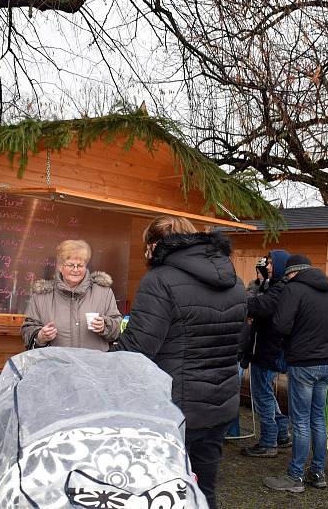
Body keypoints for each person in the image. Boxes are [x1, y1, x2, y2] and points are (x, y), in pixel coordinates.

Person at [112, 216, 246, 509]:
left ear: (157, 244)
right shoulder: (234, 281)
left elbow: (138, 348)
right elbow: (239, 342)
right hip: (220, 403)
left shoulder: (159, 280)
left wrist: (105, 368)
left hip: (174, 409)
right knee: (204, 489)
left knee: (164, 492)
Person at [264, 254, 328, 492]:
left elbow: (281, 324)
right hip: (326, 362)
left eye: (287, 275)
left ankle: (295, 476)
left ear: (293, 272)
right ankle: (317, 473)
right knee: (318, 419)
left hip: (302, 362)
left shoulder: (294, 289)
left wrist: (297, 335)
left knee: (300, 421)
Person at [21, 239, 122, 351]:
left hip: (93, 366)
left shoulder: (103, 292)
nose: (76, 270)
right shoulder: (42, 295)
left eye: (80, 265)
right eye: (70, 265)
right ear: (60, 266)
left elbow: (118, 327)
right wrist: (40, 336)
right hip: (55, 365)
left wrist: (105, 326)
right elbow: (28, 329)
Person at [241, 249, 292, 457]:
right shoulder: (275, 286)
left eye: (271, 263)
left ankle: (268, 442)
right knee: (267, 394)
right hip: (268, 349)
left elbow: (261, 307)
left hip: (267, 349)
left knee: (262, 395)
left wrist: (237, 300)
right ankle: (281, 434)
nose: (267, 267)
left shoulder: (280, 288)